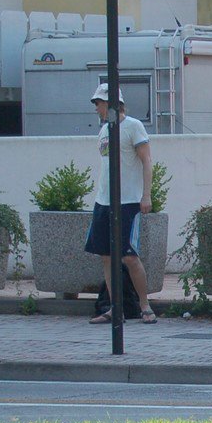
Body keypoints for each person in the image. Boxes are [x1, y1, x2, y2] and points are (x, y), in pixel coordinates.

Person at [86, 83, 157, 325]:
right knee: (106, 256)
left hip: (127, 201)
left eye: (99, 103)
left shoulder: (133, 127)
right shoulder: (105, 130)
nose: (97, 108)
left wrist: (146, 195)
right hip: (103, 200)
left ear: (112, 102)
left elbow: (147, 161)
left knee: (129, 256)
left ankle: (145, 306)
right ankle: (115, 307)